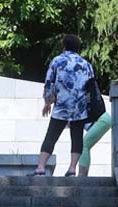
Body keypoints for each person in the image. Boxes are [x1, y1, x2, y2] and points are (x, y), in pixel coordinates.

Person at [34, 34, 95, 177]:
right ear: (78, 47)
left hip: (62, 105)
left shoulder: (57, 61)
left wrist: (48, 101)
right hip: (79, 107)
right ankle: (72, 168)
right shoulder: (86, 64)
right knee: (77, 137)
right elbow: (91, 87)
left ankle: (41, 167)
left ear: (64, 46)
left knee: (51, 136)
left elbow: (49, 82)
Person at [78, 112, 112, 177]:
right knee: (84, 145)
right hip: (104, 119)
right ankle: (83, 174)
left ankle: (82, 174)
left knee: (83, 145)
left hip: (103, 120)